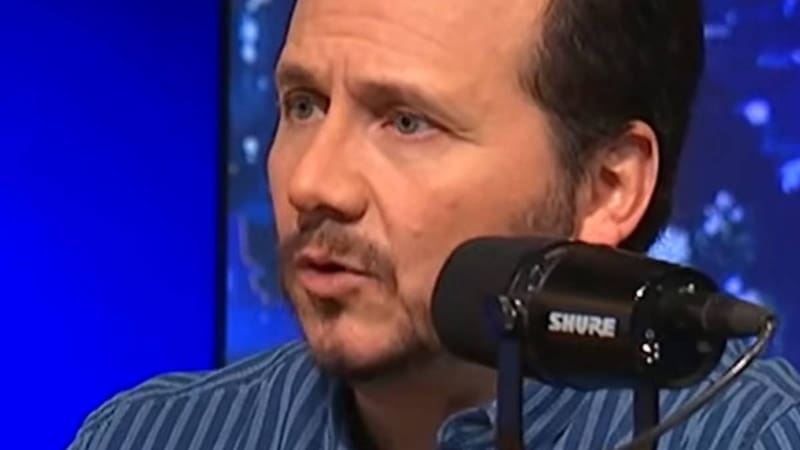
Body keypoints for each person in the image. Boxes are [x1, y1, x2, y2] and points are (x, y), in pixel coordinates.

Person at [69, 0, 800, 449]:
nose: (312, 183)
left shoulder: (753, 438)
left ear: (607, 188)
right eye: (304, 105)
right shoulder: (146, 436)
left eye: (407, 122)